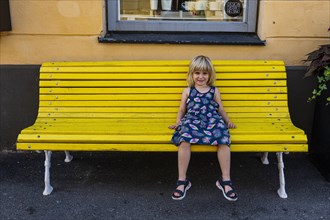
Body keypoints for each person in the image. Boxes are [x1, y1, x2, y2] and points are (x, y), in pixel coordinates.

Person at [168, 55, 238, 201]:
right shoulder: (187, 91)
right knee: (184, 138)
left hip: (212, 119)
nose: (201, 77)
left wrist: (227, 121)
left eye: (204, 73)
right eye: (197, 73)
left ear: (210, 75)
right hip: (192, 120)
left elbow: (221, 109)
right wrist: (178, 122)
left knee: (223, 138)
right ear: (191, 74)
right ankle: (182, 180)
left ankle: (225, 180)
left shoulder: (214, 91)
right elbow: (181, 109)